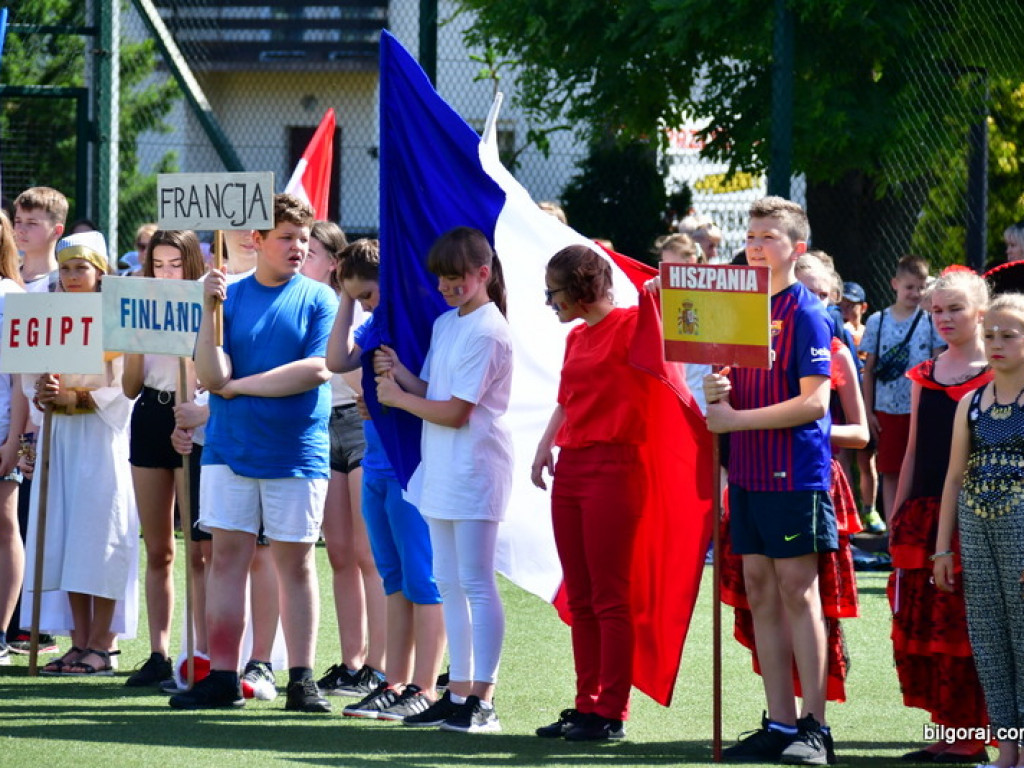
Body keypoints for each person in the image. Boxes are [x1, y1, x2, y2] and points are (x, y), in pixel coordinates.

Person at [169, 193, 336, 712]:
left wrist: (239, 389)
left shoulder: (319, 298)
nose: (297, 247)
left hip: (296, 454)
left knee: (297, 565)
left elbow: (316, 369)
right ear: (257, 241)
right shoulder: (230, 297)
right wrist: (206, 310)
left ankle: (302, 680)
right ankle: (222, 676)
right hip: (228, 451)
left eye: (303, 239)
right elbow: (211, 375)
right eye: (286, 237)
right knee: (226, 562)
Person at [703, 197, 837, 764]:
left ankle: (815, 727)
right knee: (759, 590)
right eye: (752, 235)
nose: (756, 245)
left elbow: (814, 402)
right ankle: (780, 722)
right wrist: (717, 396)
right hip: (750, 473)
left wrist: (734, 420)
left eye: (770, 237)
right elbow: (726, 384)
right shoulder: (740, 307)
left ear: (796, 249)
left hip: (794, 473)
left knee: (797, 594)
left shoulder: (806, 311)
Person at [373, 227, 513, 733]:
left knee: (474, 582)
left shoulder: (491, 330)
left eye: (456, 278)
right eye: (441, 279)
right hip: (442, 467)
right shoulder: (447, 323)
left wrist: (398, 397)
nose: (446, 286)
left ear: (483, 274)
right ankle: (457, 694)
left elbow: (455, 411)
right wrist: (401, 374)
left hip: (476, 468)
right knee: (449, 582)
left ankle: (484, 699)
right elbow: (436, 389)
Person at [530, 244, 664, 742]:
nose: (550, 302)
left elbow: (677, 307)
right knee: (581, 596)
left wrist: (654, 291)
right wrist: (545, 447)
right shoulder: (576, 339)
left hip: (617, 466)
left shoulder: (632, 324)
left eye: (555, 292)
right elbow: (567, 400)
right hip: (573, 468)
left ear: (583, 289)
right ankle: (587, 705)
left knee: (609, 597)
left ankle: (611, 710)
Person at [326, 239, 446, 723]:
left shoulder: (410, 319)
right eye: (361, 297)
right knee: (393, 578)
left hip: (405, 468)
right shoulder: (372, 320)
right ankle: (395, 681)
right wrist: (347, 300)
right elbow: (337, 361)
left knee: (422, 579)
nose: (367, 304)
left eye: (371, 294)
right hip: (375, 467)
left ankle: (426, 685)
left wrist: (396, 382)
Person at [886, 268, 991, 764]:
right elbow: (911, 452)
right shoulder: (923, 374)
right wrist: (897, 513)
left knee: (975, 629)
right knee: (929, 627)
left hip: (982, 517)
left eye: (955, 309)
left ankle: (982, 736)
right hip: (924, 517)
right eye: (937, 310)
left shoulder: (1002, 373)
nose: (944, 318)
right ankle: (950, 732)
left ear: (981, 313)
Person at [26, 231, 138, 677]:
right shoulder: (52, 315)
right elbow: (38, 380)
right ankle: (77, 642)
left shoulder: (115, 320)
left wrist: (74, 398)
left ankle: (103, 646)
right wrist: (45, 392)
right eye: (66, 268)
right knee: (69, 537)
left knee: (102, 536)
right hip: (63, 441)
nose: (72, 276)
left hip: (102, 439)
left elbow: (122, 388)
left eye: (81, 268)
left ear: (100, 271)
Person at [933, 292, 1024, 768]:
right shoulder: (970, 402)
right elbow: (952, 477)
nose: (996, 343)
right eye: (989, 335)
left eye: (1008, 336)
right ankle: (1006, 753)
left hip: (1022, 533)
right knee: (990, 642)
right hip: (976, 530)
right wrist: (941, 551)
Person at [302, 222, 388, 698]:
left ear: (334, 263)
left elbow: (349, 372)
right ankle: (352, 660)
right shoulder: (316, 303)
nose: (302, 258)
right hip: (322, 428)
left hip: (359, 427)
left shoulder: (362, 310)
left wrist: (348, 304)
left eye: (312, 252)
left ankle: (378, 664)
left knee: (367, 554)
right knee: (338, 555)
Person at [121, 230, 206, 688]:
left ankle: (199, 653)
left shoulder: (208, 304)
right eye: (158, 264)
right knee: (158, 549)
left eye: (175, 263)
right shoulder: (141, 307)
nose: (166, 272)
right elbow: (130, 387)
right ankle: (157, 652)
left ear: (191, 264)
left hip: (193, 417)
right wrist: (134, 338)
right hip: (150, 415)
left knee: (198, 549)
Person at [860, 255, 943, 524]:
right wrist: (868, 411)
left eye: (921, 287)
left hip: (921, 410)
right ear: (895, 284)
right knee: (891, 471)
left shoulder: (931, 320)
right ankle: (893, 533)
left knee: (920, 471)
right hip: (887, 409)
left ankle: (916, 531)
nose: (915, 293)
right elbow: (869, 370)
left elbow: (939, 361)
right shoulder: (877, 321)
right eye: (909, 287)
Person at [0, 211, 27, 664]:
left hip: (2, 426)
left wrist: (13, 442)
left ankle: (1, 633)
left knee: (5, 526)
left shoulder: (12, 297)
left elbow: (23, 379)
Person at [838, 281, 883, 533]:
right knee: (842, 459)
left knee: (867, 462)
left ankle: (869, 509)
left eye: (851, 305)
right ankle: (847, 509)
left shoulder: (869, 333)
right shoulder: (835, 329)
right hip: (841, 401)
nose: (846, 309)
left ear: (863, 307)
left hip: (865, 403)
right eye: (842, 304)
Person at [13, 186, 66, 294]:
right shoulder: (6, 279)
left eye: (32, 223)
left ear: (57, 231)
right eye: (18, 221)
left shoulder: (65, 284)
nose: (21, 230)